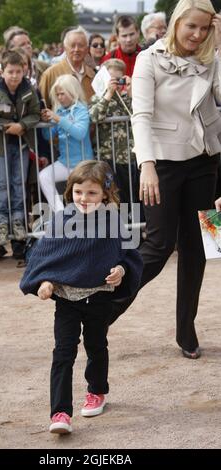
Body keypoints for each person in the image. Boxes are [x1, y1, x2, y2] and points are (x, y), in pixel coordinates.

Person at [20, 160, 143, 434]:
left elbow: (129, 256)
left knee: (96, 346)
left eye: (91, 193)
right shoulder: (61, 221)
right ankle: (60, 412)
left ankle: (97, 391)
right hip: (67, 301)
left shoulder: (113, 221)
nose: (83, 198)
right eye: (78, 192)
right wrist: (45, 282)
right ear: (70, 192)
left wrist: (121, 271)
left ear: (105, 195)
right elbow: (46, 258)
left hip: (99, 298)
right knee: (63, 353)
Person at [131, 0, 221, 359]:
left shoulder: (211, 57)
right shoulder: (148, 58)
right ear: (176, 23)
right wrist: (146, 164)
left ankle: (187, 329)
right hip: (163, 165)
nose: (197, 35)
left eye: (205, 28)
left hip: (207, 162)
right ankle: (104, 308)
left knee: (204, 247)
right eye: (191, 27)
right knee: (157, 246)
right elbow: (141, 115)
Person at [0, 50, 40, 246]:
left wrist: (22, 126)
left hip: (21, 144)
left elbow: (35, 113)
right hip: (0, 145)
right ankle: (1, 222)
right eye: (10, 72)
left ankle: (18, 221)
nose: (14, 76)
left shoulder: (29, 90)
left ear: (24, 71)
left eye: (18, 71)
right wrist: (7, 127)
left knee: (18, 183)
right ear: (3, 72)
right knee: (0, 184)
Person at [39, 74, 93, 213]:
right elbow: (48, 136)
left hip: (83, 164)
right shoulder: (60, 111)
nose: (59, 97)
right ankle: (60, 214)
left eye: (62, 93)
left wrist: (58, 119)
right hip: (65, 163)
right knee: (44, 176)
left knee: (84, 200)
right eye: (57, 94)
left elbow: (80, 133)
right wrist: (47, 122)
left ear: (72, 91)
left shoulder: (81, 109)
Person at [89, 59, 136, 205]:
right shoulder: (98, 98)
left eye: (118, 79)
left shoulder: (127, 98)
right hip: (108, 157)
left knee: (132, 196)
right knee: (112, 196)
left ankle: (134, 226)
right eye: (111, 79)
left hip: (129, 158)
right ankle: (116, 225)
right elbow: (94, 116)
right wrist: (108, 93)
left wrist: (131, 91)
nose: (114, 83)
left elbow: (139, 113)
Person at [40, 26, 95, 108]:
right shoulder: (50, 74)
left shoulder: (92, 75)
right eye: (72, 45)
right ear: (65, 48)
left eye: (81, 45)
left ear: (87, 49)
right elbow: (42, 105)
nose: (76, 49)